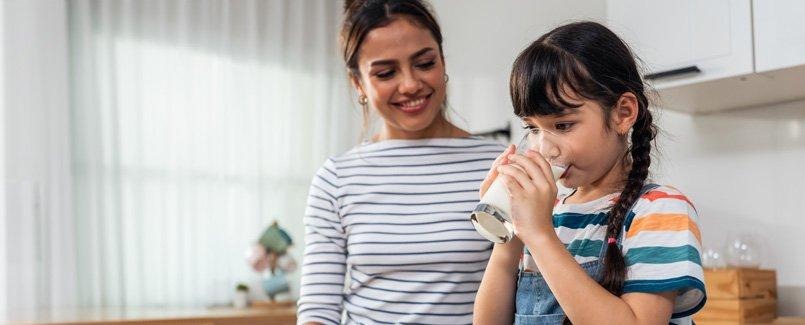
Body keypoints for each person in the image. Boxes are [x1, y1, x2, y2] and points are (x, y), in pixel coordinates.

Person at [472, 21, 706, 325]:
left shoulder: (660, 210)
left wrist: (541, 236)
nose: (544, 148)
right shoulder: (546, 214)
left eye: (563, 125)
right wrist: (510, 232)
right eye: (532, 128)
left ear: (623, 113)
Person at [296, 0, 505, 324]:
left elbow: (521, 294)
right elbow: (317, 311)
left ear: (442, 60)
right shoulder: (335, 178)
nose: (410, 84)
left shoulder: (496, 166)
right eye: (386, 72)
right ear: (358, 84)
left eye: (424, 63)